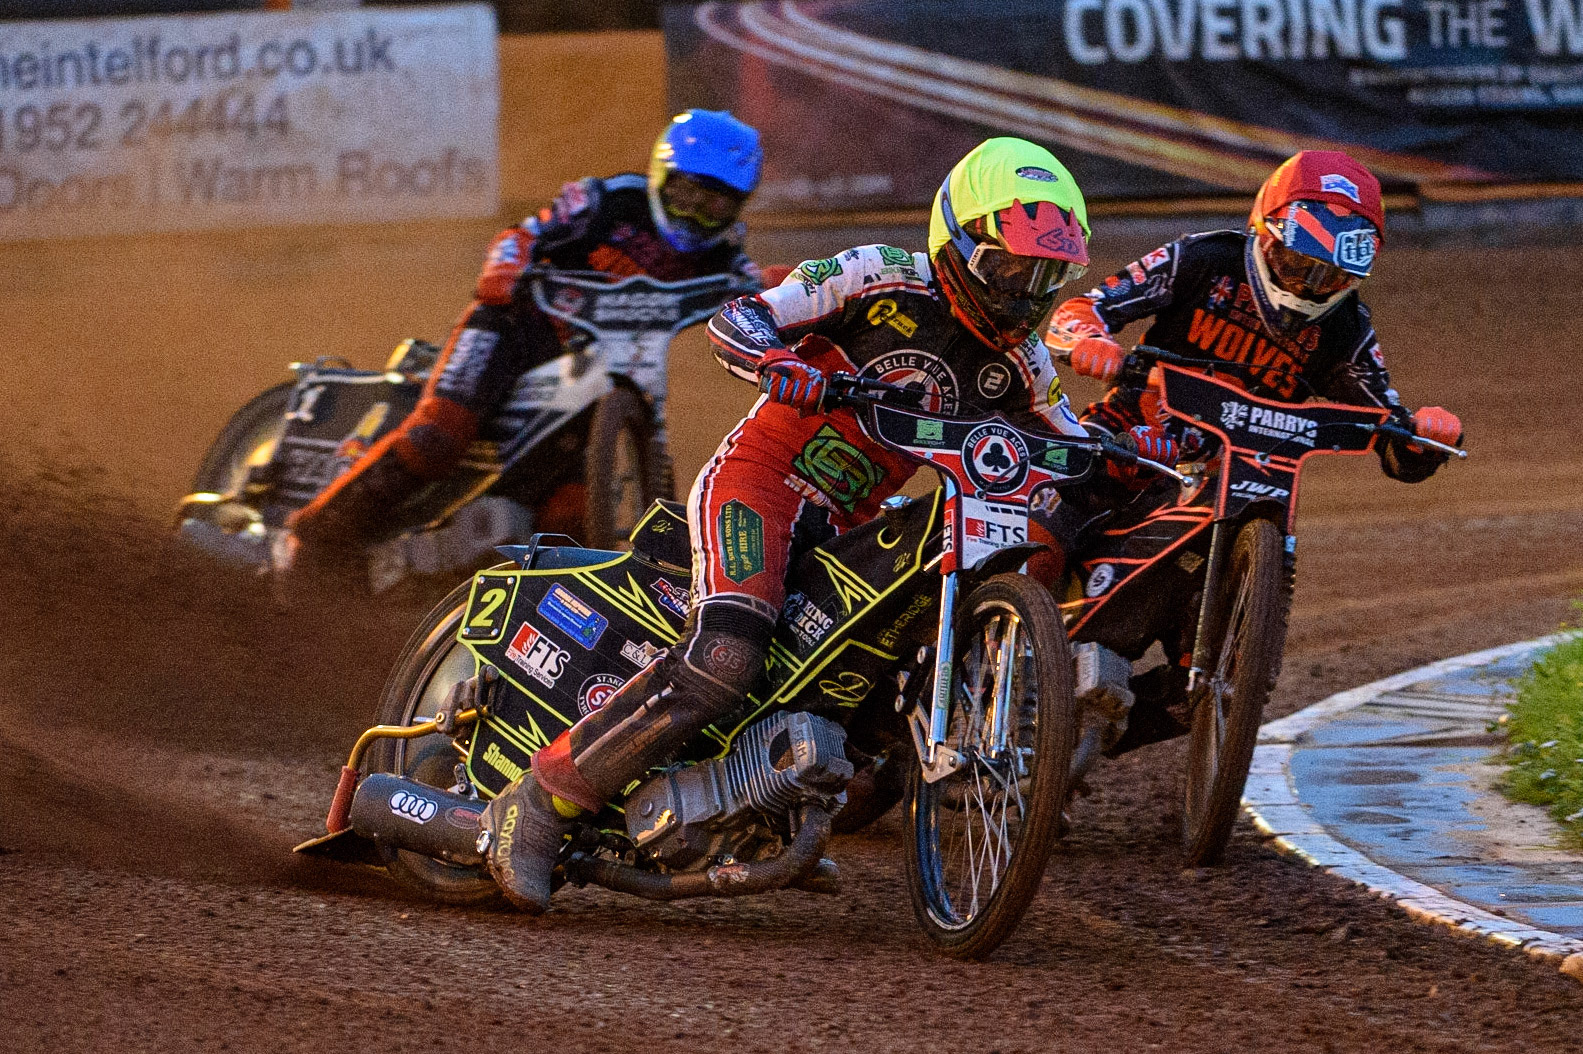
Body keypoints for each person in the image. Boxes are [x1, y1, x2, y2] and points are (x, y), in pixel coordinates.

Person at [477, 137, 1097, 912]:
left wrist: (1137, 449)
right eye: (1010, 269)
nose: (1023, 293)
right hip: (759, 485)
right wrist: (777, 362)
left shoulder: (1024, 363)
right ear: (960, 244)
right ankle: (539, 804)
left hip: (848, 530)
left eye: (1045, 277)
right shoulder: (878, 276)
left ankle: (756, 811)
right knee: (727, 658)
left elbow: (1067, 441)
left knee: (871, 683)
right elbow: (740, 319)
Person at [1043, 149, 1463, 752]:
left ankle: (1073, 745)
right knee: (1041, 516)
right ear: (1264, 233)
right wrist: (1090, 341)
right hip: (1132, 442)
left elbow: (1389, 429)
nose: (1310, 286)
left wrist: (1426, 437)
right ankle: (985, 639)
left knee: (1230, 676)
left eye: (1330, 275)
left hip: (1232, 485)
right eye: (1297, 263)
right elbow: (1084, 308)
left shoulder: (1345, 326)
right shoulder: (1204, 257)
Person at [283, 110, 766, 559]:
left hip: (594, 373)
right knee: (439, 435)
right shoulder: (608, 200)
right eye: (688, 195)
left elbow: (758, 290)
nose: (695, 216)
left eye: (715, 205)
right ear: (663, 177)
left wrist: (796, 291)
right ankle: (309, 538)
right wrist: (504, 272)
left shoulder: (723, 253)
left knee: (568, 518)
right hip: (516, 328)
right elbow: (522, 235)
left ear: (736, 207)